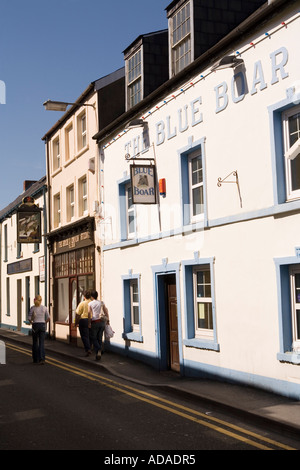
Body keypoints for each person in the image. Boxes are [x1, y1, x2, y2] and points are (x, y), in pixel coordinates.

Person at [88, 290, 109, 361]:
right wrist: (108, 320)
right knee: (99, 337)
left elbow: (89, 314)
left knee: (93, 337)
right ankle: (98, 354)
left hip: (95, 321)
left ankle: (99, 348)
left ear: (91, 297)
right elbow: (106, 311)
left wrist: (89, 323)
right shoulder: (101, 302)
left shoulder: (90, 303)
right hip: (102, 322)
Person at [28, 295, 50, 365]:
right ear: (41, 300)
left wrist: (32, 322)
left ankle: (35, 359)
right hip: (42, 325)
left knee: (35, 342)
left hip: (35, 325)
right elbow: (49, 318)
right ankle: (42, 358)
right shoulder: (44, 308)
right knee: (41, 343)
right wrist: (44, 322)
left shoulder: (32, 308)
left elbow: (29, 318)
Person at [75, 290, 92, 356]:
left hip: (83, 320)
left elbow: (78, 314)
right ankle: (90, 347)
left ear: (84, 297)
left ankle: (88, 349)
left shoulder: (82, 303)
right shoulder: (92, 303)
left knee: (84, 336)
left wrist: (76, 322)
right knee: (90, 335)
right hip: (91, 320)